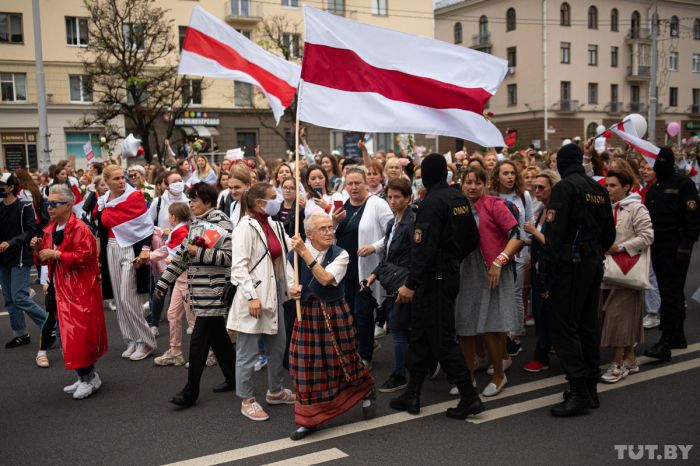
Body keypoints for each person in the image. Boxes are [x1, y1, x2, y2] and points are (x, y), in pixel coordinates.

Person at [390, 154, 485, 420]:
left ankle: (469, 397)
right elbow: (472, 238)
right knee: (421, 336)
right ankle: (413, 392)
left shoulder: (431, 202)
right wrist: (453, 259)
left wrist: (411, 284)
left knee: (443, 339)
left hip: (433, 279)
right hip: (447, 274)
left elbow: (423, 249)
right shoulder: (458, 199)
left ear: (427, 175)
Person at [287, 214, 375, 440]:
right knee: (304, 365)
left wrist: (305, 254)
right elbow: (290, 285)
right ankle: (309, 419)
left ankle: (365, 390)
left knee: (345, 359)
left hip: (334, 313)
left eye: (330, 228)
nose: (329, 232)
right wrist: (292, 291)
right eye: (323, 229)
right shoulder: (292, 257)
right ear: (309, 234)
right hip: (307, 314)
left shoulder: (341, 254)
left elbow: (326, 279)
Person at [543, 143, 615, 417]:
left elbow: (553, 234)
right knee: (587, 325)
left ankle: (578, 391)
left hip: (571, 265)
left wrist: (552, 265)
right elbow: (609, 233)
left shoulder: (564, 188)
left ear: (562, 163)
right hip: (593, 262)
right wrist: (593, 252)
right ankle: (590, 389)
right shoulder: (598, 189)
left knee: (565, 327)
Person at [155, 182, 236, 407]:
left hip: (214, 290)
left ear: (208, 202)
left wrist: (198, 252)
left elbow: (230, 257)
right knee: (218, 338)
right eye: (190, 200)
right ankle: (234, 377)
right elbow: (183, 255)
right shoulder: (198, 223)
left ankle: (191, 391)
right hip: (200, 291)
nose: (191, 204)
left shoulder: (221, 222)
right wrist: (163, 282)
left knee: (199, 339)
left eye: (195, 200)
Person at [30, 184, 107, 398]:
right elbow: (43, 260)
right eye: (48, 203)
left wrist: (56, 255)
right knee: (68, 336)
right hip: (60, 287)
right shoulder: (50, 229)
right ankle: (87, 377)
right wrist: (38, 250)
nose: (50, 207)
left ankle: (88, 378)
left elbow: (86, 257)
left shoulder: (80, 228)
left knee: (79, 336)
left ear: (69, 205)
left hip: (80, 289)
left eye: (54, 204)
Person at [228, 183, 296, 421]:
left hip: (275, 295)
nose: (277, 201)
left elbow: (290, 253)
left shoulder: (276, 225)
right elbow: (238, 268)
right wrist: (251, 297)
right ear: (259, 202)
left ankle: (275, 391)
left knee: (278, 345)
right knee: (247, 352)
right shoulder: (244, 228)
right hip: (253, 299)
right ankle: (246, 399)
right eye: (273, 198)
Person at [455, 167, 522, 397]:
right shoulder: (458, 207)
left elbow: (517, 236)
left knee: (492, 326)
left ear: (485, 184)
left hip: (492, 269)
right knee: (464, 325)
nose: (472, 186)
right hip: (465, 269)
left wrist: (500, 261)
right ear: (461, 183)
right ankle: (468, 377)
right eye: (468, 182)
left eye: (477, 182)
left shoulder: (495, 204)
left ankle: (498, 375)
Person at [643, 147, 700, 362]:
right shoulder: (654, 188)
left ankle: (665, 340)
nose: (659, 165)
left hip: (676, 247)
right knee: (671, 291)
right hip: (658, 246)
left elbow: (693, 216)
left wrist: (686, 245)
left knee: (670, 293)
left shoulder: (683, 184)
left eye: (663, 162)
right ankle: (678, 335)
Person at [96, 165, 156, 361]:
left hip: (131, 248)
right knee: (119, 299)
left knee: (128, 297)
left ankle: (146, 341)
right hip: (111, 248)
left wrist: (146, 249)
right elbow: (100, 227)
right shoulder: (103, 201)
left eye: (123, 177)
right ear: (107, 182)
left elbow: (146, 226)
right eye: (116, 179)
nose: (122, 181)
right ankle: (131, 338)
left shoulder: (135, 196)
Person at [599, 170, 653, 383]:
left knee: (618, 316)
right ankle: (630, 357)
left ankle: (617, 363)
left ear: (627, 187)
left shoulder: (637, 208)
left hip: (627, 270)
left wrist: (620, 247)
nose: (608, 189)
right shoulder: (605, 208)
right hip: (607, 269)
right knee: (616, 316)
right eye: (607, 185)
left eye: (613, 186)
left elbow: (647, 236)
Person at [335, 167, 393, 366]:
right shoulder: (342, 206)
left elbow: (393, 233)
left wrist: (374, 247)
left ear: (365, 183)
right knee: (348, 314)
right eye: (349, 183)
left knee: (363, 314)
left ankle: (365, 355)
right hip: (345, 272)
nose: (353, 187)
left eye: (357, 183)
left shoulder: (377, 204)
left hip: (366, 271)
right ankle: (357, 348)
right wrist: (333, 222)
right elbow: (332, 237)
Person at [364, 179, 415, 392]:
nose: (392, 201)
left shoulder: (412, 223)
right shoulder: (391, 223)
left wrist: (410, 285)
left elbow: (417, 258)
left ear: (408, 198)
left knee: (398, 329)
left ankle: (400, 373)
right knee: (404, 329)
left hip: (404, 283)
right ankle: (425, 362)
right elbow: (387, 255)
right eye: (390, 197)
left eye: (397, 197)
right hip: (391, 281)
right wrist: (373, 275)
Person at [0, 173, 48, 348]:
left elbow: (30, 230)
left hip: (20, 256)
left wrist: (11, 242)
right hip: (3, 258)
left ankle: (50, 326)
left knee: (19, 297)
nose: (0, 188)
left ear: (11, 187)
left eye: (2, 185)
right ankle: (21, 334)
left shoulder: (24, 206)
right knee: (9, 298)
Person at [522, 170, 561, 372]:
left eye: (541, 187)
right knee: (541, 313)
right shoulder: (543, 209)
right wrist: (524, 241)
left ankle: (542, 356)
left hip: (551, 272)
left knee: (548, 314)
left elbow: (553, 244)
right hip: (539, 268)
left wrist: (533, 232)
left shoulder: (556, 211)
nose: (536, 191)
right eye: (535, 187)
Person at [151, 203, 196, 366]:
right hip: (179, 278)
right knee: (172, 314)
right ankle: (175, 351)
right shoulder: (178, 231)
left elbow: (178, 256)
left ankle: (206, 353)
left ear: (173, 217)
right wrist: (149, 256)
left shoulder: (183, 232)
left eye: (169, 215)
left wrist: (156, 257)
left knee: (193, 320)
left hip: (186, 278)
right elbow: (167, 250)